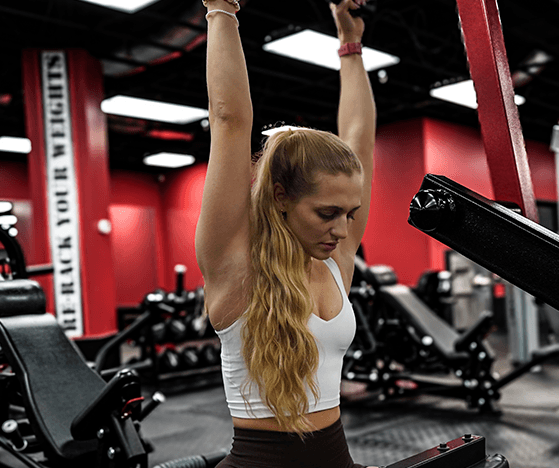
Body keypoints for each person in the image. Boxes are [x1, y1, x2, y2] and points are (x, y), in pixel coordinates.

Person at [196, 0, 376, 466]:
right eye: (327, 213)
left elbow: (359, 136)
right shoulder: (235, 266)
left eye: (350, 212)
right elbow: (229, 120)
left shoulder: (335, 263)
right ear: (280, 196)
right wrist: (221, 9)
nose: (342, 229)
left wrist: (350, 44)